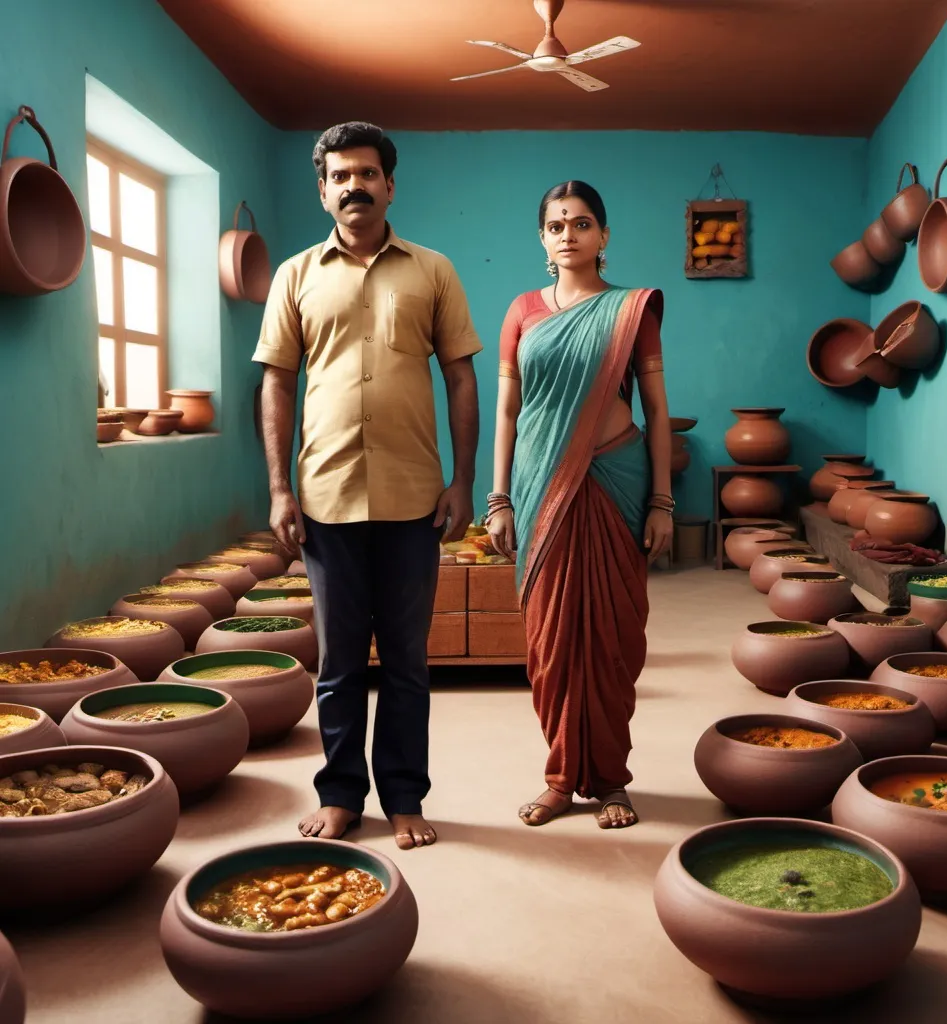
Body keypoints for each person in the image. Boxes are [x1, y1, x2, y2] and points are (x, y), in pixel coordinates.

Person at [253, 121, 482, 850]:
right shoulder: (295, 275)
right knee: (340, 662)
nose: (354, 185)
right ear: (323, 190)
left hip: (415, 497)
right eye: (340, 176)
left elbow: (460, 377)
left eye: (367, 173)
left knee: (408, 663)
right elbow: (278, 384)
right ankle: (343, 794)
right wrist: (279, 489)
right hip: (326, 496)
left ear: (389, 184)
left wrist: (463, 482)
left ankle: (405, 797)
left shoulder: (434, 271)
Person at [487, 181, 672, 830]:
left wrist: (663, 500)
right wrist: (499, 496)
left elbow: (657, 408)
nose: (569, 234)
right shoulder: (521, 311)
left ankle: (612, 782)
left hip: (617, 478)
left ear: (604, 236)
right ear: (542, 238)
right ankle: (561, 778)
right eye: (557, 225)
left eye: (583, 223)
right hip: (541, 486)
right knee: (551, 642)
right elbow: (507, 411)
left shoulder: (630, 310)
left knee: (613, 641)